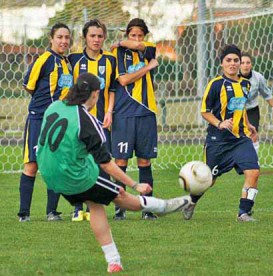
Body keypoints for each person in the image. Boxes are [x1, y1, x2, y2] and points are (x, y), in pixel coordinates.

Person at [36, 73, 190, 273]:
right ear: (94, 95)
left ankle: (114, 261)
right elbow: (107, 163)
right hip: (74, 176)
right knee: (121, 196)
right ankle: (165, 206)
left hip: (48, 173)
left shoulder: (54, 106)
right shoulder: (87, 121)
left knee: (95, 204)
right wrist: (136, 184)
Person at [183, 44, 260, 222]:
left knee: (253, 172)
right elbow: (204, 111)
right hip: (218, 141)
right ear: (222, 63)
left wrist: (249, 125)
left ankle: (244, 212)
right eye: (229, 60)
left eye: (236, 60)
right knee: (209, 179)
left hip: (240, 139)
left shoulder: (246, 85)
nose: (233, 64)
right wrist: (220, 123)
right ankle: (191, 202)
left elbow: (242, 107)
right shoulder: (215, 85)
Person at [17, 23, 73, 222]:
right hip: (38, 119)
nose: (64, 41)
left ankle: (52, 211)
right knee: (31, 164)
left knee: (54, 166)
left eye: (67, 37)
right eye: (60, 37)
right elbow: (28, 86)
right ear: (51, 38)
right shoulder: (44, 59)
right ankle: (24, 213)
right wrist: (43, 106)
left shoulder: (67, 63)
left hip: (57, 121)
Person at [110, 18, 159, 220]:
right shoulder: (118, 52)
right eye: (132, 35)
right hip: (123, 113)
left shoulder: (149, 50)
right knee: (120, 160)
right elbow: (123, 80)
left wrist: (126, 42)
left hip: (146, 112)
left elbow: (141, 46)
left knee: (144, 161)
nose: (137, 39)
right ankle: (119, 208)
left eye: (140, 35)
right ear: (126, 36)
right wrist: (148, 67)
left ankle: (148, 208)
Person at [68, 19, 116, 222]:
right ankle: (78, 208)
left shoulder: (111, 60)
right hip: (80, 120)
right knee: (79, 161)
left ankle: (98, 206)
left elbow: (112, 88)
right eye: (92, 36)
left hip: (102, 120)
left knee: (102, 162)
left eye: (100, 36)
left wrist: (110, 111)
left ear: (104, 37)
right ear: (84, 38)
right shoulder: (74, 60)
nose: (96, 39)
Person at [240, 52, 273, 154]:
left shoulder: (258, 77)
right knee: (238, 137)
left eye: (248, 62)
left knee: (253, 134)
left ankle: (254, 161)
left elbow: (267, 94)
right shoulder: (233, 77)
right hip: (237, 111)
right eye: (243, 62)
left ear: (252, 64)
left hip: (252, 110)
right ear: (239, 64)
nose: (245, 65)